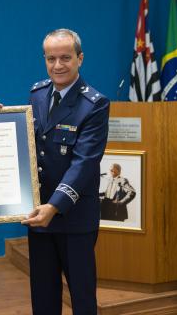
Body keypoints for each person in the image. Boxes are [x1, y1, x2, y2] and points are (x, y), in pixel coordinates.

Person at [22, 28, 110, 314]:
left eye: (65, 58)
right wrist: (3, 125)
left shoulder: (94, 104)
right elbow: (29, 146)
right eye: (51, 59)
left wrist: (55, 206)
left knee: (82, 297)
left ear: (80, 58)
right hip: (38, 213)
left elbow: (84, 162)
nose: (57, 65)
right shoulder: (37, 94)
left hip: (73, 217)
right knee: (43, 296)